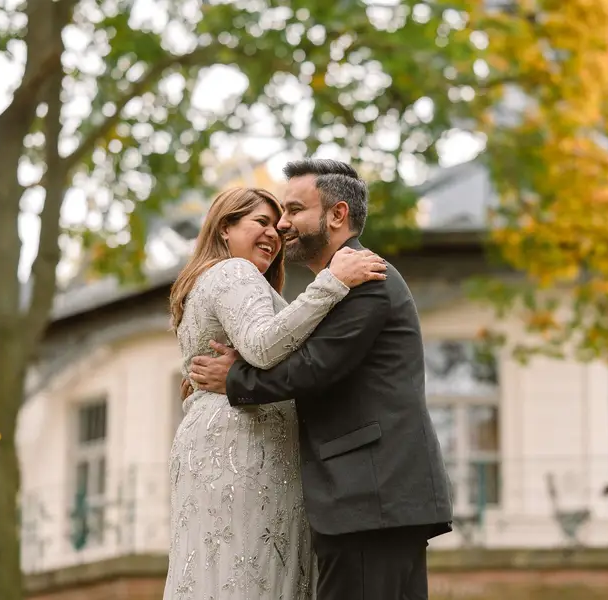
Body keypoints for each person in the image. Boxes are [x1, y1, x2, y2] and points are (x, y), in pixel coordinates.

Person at [186, 159, 453, 600]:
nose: (283, 224)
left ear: (337, 215)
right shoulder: (341, 285)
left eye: (294, 210)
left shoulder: (368, 279)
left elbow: (313, 367)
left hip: (372, 499)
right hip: (368, 503)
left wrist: (234, 378)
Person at [163, 185, 387, 600]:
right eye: (260, 222)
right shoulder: (234, 271)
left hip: (220, 439)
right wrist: (332, 282)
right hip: (243, 444)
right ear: (225, 228)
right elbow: (264, 346)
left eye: (277, 228)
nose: (273, 234)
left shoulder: (209, 281)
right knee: (250, 573)